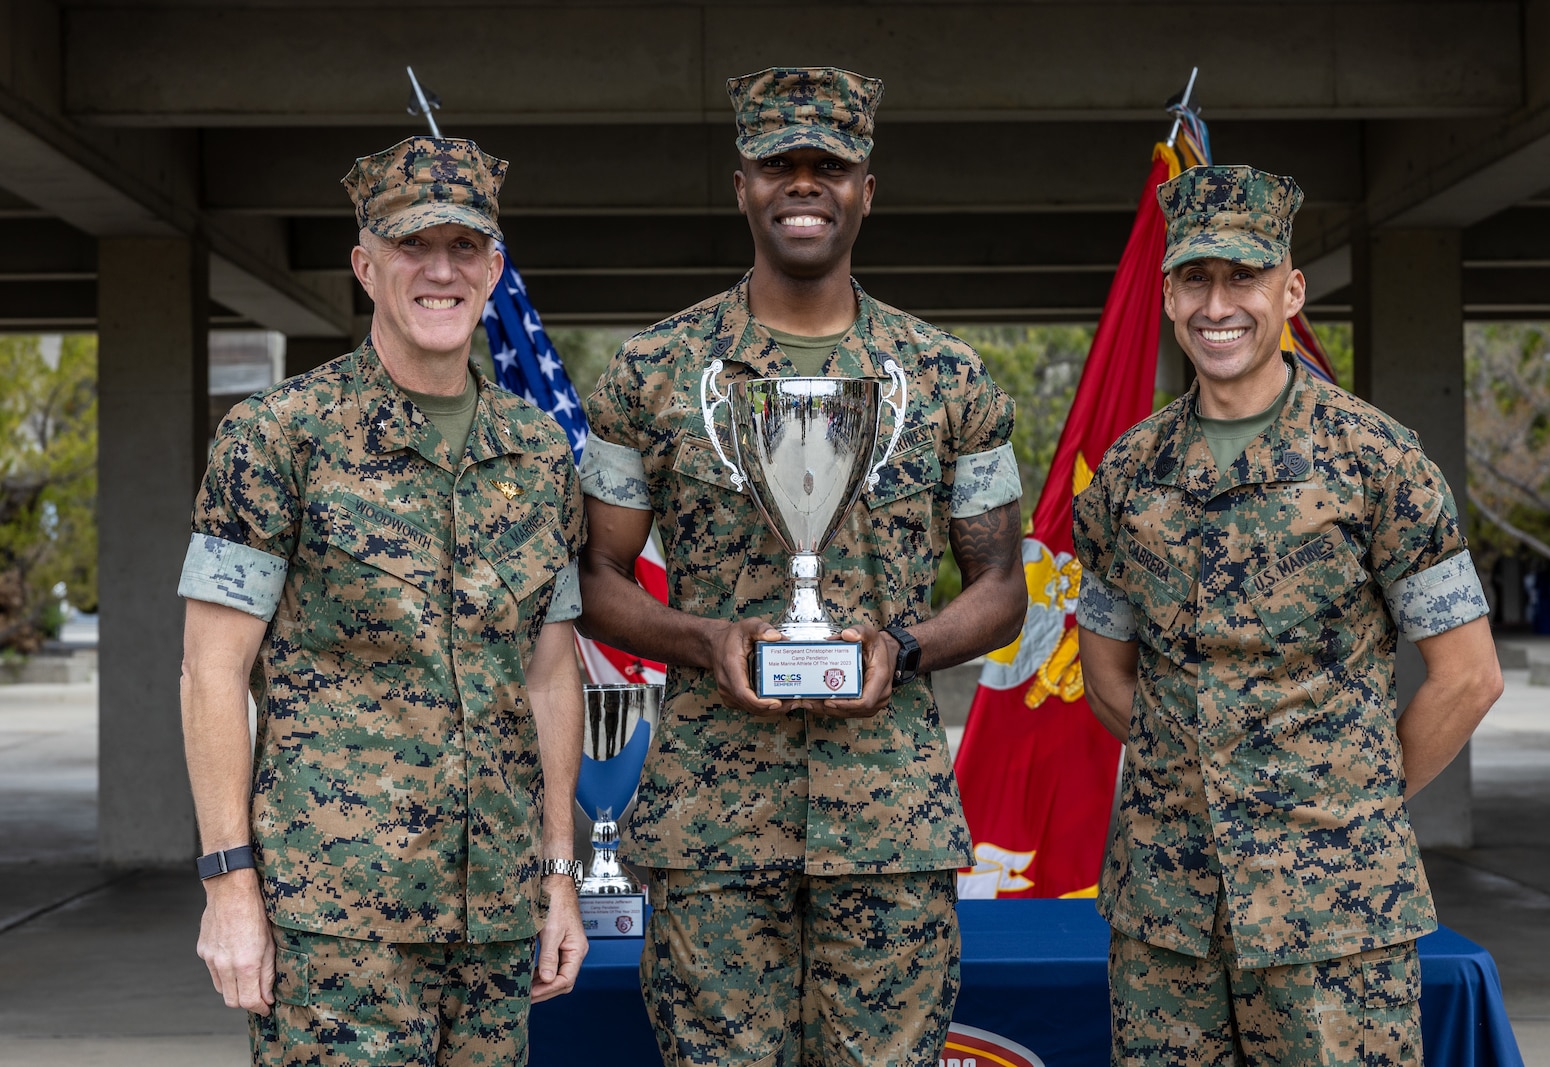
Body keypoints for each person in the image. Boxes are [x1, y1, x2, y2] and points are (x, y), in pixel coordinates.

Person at [576, 66, 1026, 1066]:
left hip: (889, 828)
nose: (804, 184)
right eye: (780, 163)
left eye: (831, 165)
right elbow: (594, 577)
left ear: (868, 188)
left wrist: (901, 648)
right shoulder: (652, 372)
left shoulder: (946, 377)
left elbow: (1000, 590)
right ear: (740, 184)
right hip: (710, 823)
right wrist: (704, 638)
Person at [1073, 164, 1505, 1065]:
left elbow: (1467, 676)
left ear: (1290, 288)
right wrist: (1198, 785)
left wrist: (1350, 805)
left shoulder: (1377, 461)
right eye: (1196, 277)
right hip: (1166, 916)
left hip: (1334, 917)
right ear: (1166, 295)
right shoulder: (1124, 475)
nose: (1217, 302)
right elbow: (1107, 673)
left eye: (1244, 275)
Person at [177, 136, 588, 1066]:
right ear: (366, 266)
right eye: (413, 246)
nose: (439, 270)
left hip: (494, 921)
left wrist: (559, 873)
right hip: (336, 920)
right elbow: (211, 672)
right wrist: (228, 884)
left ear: (493, 267)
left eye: (464, 246)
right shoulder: (276, 437)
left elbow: (550, 674)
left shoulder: (538, 453)